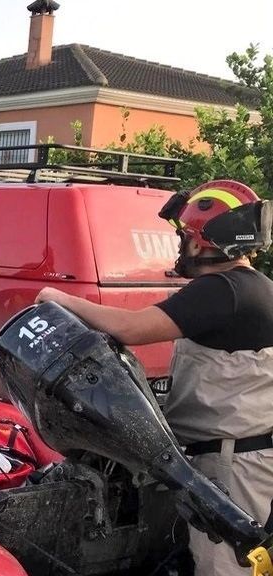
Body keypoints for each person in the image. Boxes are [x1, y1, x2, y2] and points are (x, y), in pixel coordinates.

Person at [36, 180, 273, 576]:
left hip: (233, 465)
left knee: (226, 567)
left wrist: (58, 298)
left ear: (203, 243)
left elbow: (130, 328)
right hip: (248, 454)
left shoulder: (221, 291)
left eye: (185, 236)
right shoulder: (257, 288)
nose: (182, 246)